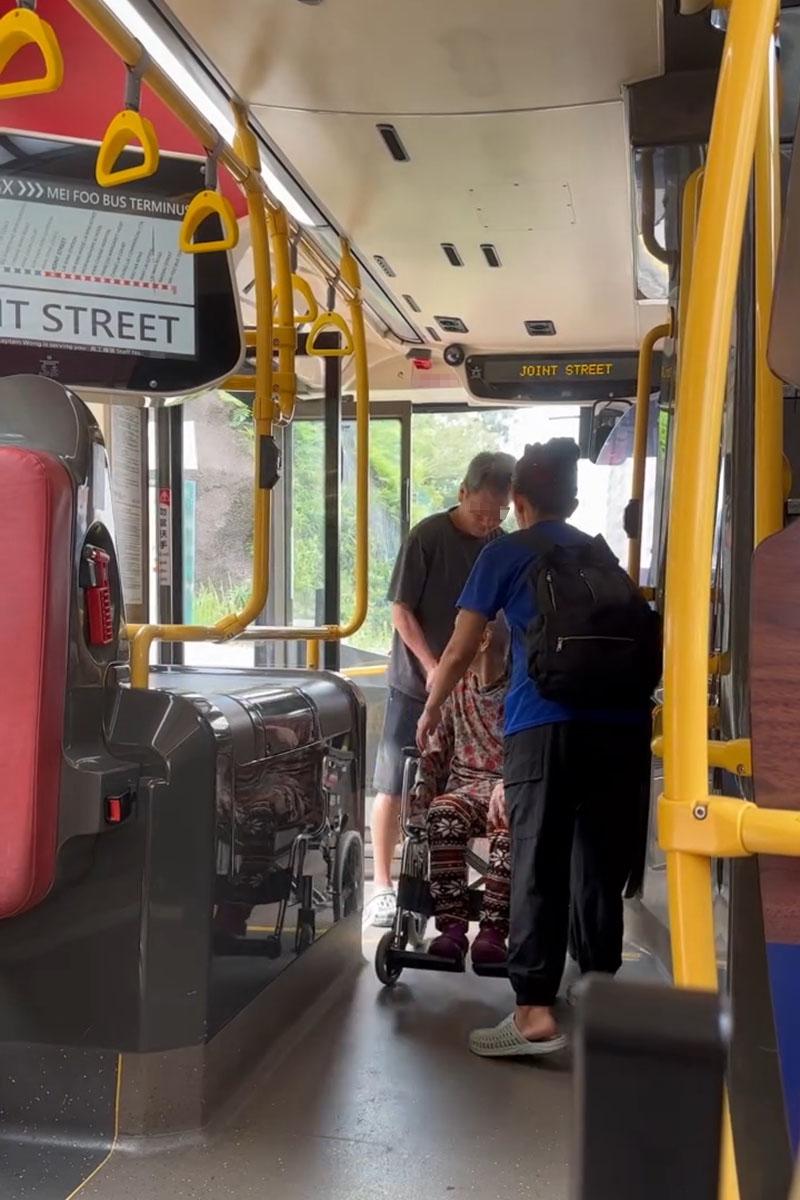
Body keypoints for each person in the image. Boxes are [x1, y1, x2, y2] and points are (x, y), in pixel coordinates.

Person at [417, 439, 653, 1057]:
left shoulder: (506, 553)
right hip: (622, 730)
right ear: (572, 500)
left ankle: (531, 1016)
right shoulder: (602, 558)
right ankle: (602, 995)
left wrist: (434, 705)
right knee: (598, 863)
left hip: (543, 726)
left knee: (536, 861)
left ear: (519, 501)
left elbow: (463, 647)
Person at [364, 450, 515, 929]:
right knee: (396, 781)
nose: (490, 522)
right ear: (462, 494)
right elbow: (400, 612)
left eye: (499, 513)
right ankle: (383, 887)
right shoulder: (427, 536)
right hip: (417, 683)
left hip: (479, 686)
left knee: (478, 785)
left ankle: (489, 899)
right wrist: (432, 667)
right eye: (481, 512)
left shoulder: (502, 545)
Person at [411, 618, 510, 966]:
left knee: (511, 809)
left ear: (481, 640)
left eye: (460, 634)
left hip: (509, 785)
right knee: (443, 812)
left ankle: (493, 931)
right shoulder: (455, 688)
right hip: (465, 787)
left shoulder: (521, 689)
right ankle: (451, 929)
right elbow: (438, 749)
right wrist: (423, 784)